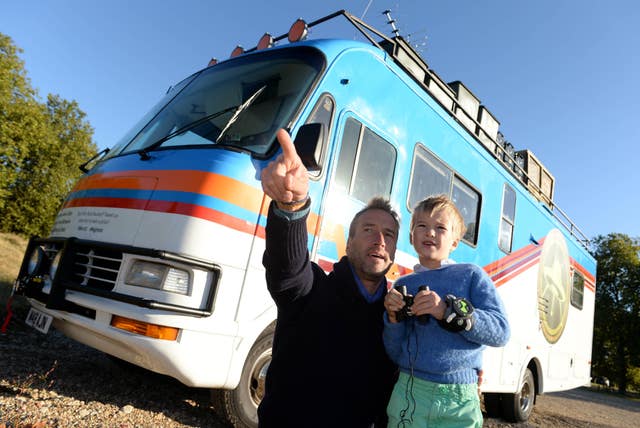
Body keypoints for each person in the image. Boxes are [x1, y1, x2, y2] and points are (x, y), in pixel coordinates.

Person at [258, 129, 399, 427]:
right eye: (368, 230)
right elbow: (287, 270)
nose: (380, 241)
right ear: (348, 243)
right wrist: (291, 207)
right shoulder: (311, 289)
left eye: (389, 234)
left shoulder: (397, 316)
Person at [383, 194, 510, 427]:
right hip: (410, 390)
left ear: (454, 242)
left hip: (459, 399)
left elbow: (501, 331)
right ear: (412, 237)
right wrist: (393, 319)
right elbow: (394, 351)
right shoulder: (402, 284)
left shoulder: (471, 275)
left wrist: (447, 311)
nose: (430, 232)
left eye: (440, 227)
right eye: (422, 226)